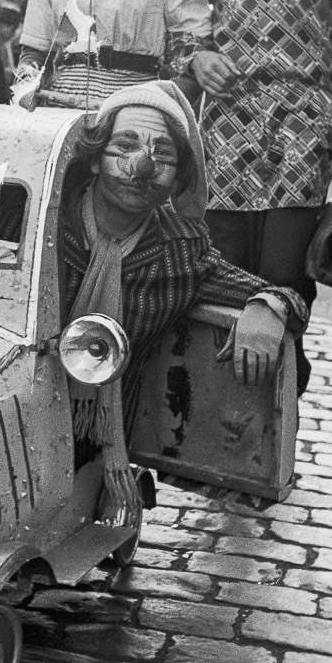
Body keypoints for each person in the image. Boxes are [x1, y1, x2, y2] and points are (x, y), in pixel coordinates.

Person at [62, 81, 308, 518]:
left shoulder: (179, 248)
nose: (143, 165)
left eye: (164, 154)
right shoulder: (43, 215)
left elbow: (273, 290)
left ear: (178, 175)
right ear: (96, 158)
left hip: (97, 439)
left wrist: (267, 308)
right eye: (125, 145)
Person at [185, 0, 332, 396]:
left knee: (283, 289)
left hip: (300, 144)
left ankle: (276, 429)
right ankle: (204, 432)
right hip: (223, 148)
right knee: (215, 293)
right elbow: (181, 18)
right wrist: (196, 59)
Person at [16, 0, 212, 107]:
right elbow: (34, 50)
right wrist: (24, 90)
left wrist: (161, 104)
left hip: (138, 98)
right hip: (59, 101)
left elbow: (195, 47)